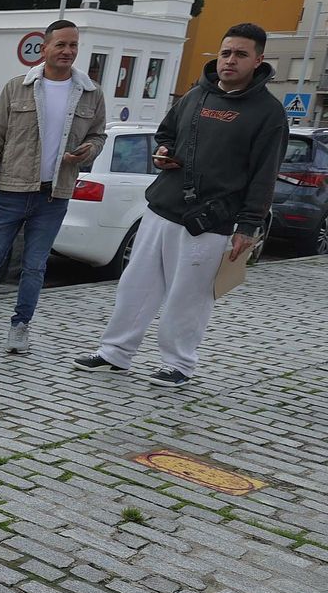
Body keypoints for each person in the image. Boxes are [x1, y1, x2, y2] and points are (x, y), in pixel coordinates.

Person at [75, 23, 287, 386]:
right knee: (135, 285)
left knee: (188, 297)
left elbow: (265, 175)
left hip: (209, 221)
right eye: (225, 53)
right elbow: (167, 132)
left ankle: (179, 363)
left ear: (258, 60)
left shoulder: (268, 113)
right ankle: (115, 353)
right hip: (162, 207)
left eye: (240, 54)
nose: (230, 61)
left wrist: (248, 227)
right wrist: (162, 151)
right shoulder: (196, 95)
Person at [0, 19, 105, 354]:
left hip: (54, 195)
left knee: (36, 265)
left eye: (73, 45)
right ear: (45, 48)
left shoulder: (91, 93)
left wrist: (89, 150)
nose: (68, 51)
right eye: (61, 45)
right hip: (12, 189)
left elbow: (98, 134)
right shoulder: (17, 87)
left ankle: (20, 327)